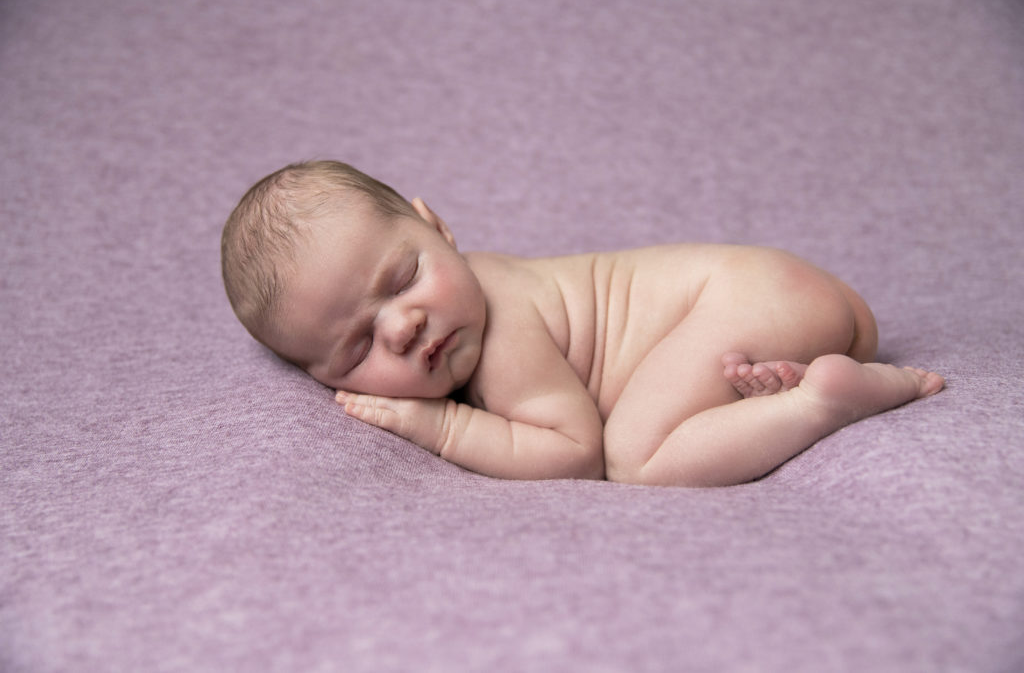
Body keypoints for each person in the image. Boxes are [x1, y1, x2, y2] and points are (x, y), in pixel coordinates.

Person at [221, 160, 944, 487]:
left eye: (404, 278)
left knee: (635, 456)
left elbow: (572, 449)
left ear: (435, 225)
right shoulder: (462, 305)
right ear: (319, 378)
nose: (405, 326)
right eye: (358, 345)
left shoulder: (499, 323)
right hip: (790, 299)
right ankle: (780, 391)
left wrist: (440, 428)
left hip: (749, 296)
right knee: (666, 412)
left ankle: (823, 401)